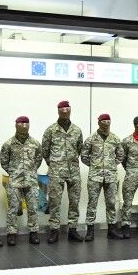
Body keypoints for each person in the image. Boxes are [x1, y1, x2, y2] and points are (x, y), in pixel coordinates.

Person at [38, 100, 86, 243]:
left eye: (67, 109)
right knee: (54, 202)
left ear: (70, 110)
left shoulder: (77, 130)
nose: (65, 112)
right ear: (58, 111)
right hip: (56, 171)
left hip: (73, 171)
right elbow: (44, 151)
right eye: (62, 110)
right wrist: (54, 163)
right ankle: (54, 231)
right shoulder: (50, 130)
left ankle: (72, 230)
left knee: (74, 201)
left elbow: (79, 148)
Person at [1, 116, 42, 244]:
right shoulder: (8, 144)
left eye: (26, 123)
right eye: (21, 123)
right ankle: (11, 233)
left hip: (31, 181)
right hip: (15, 181)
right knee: (13, 208)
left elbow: (38, 159)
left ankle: (33, 233)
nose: (24, 126)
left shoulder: (35, 143)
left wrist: (30, 171)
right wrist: (14, 172)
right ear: (16, 125)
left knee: (33, 208)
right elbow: (4, 161)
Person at [81, 113, 123, 240]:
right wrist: (95, 166)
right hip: (95, 177)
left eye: (108, 122)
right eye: (103, 122)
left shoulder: (115, 139)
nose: (106, 125)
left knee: (111, 203)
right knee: (92, 203)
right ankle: (90, 230)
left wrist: (111, 165)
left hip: (110, 176)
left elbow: (120, 155)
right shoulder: (91, 139)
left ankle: (112, 229)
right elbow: (84, 156)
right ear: (98, 123)